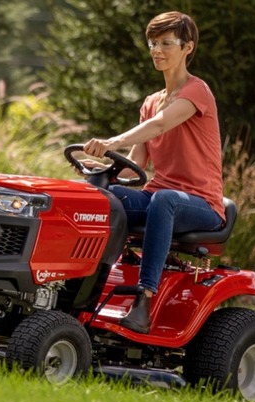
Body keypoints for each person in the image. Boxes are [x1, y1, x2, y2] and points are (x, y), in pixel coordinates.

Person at [81, 11, 225, 334]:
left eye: (165, 43)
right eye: (153, 43)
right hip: (157, 195)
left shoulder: (197, 92)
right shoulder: (150, 103)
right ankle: (84, 285)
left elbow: (160, 124)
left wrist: (110, 141)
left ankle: (143, 301)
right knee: (100, 197)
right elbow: (136, 168)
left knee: (164, 201)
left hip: (201, 204)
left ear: (187, 47)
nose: (156, 50)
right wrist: (103, 174)